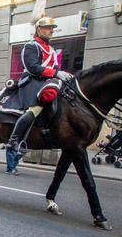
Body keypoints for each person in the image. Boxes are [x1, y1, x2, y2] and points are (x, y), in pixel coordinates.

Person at [5, 15, 72, 154]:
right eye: (48, 28)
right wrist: (55, 73)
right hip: (32, 80)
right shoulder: (31, 46)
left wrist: (62, 74)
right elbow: (32, 67)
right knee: (36, 107)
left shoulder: (52, 50)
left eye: (52, 28)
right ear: (38, 29)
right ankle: (14, 140)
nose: (51, 31)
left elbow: (55, 69)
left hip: (48, 81)